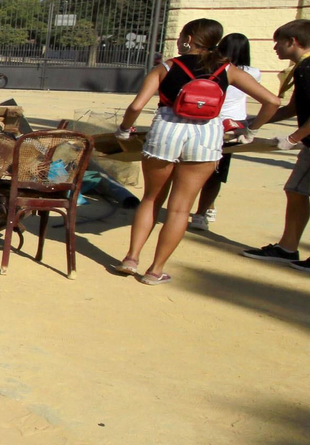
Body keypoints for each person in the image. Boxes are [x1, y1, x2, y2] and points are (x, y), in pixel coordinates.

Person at [112, 18, 280, 284]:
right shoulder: (228, 69)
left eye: (181, 35)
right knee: (180, 209)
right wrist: (251, 130)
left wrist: (124, 129)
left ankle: (131, 258)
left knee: (151, 199)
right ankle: (155, 271)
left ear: (189, 38)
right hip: (206, 135)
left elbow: (136, 106)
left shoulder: (166, 67)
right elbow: (272, 101)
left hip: (166, 130)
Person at [243, 19, 310, 268]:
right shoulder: (301, 68)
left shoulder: (307, 68)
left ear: (292, 42)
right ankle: (288, 247)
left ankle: (287, 247)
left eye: (278, 43)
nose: (275, 48)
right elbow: (294, 108)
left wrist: (292, 138)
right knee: (295, 191)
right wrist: (256, 121)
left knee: (297, 191)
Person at [190, 32, 260, 230]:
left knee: (197, 166)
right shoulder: (253, 73)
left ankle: (201, 209)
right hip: (233, 126)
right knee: (217, 171)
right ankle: (203, 212)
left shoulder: (212, 67)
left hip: (209, 121)